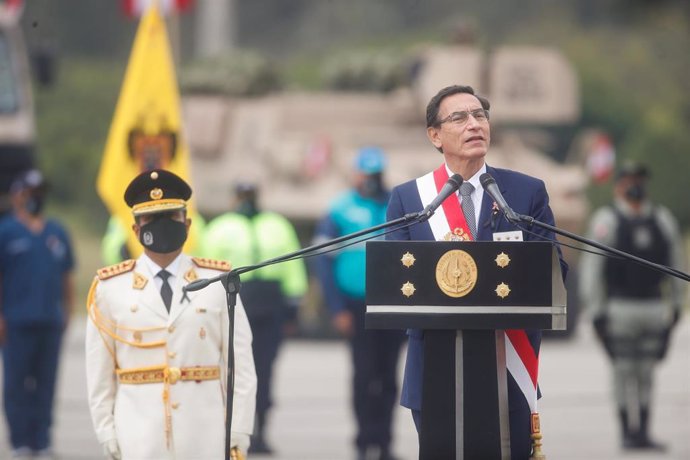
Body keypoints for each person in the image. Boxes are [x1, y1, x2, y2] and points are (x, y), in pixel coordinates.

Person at [385, 85, 567, 460]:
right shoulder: (411, 199)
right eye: (459, 117)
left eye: (480, 115)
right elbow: (394, 281)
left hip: (508, 361)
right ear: (435, 136)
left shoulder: (525, 192)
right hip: (435, 367)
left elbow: (554, 269)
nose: (474, 124)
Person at [85, 169, 257, 460]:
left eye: (172, 216)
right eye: (152, 219)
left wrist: (239, 429)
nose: (163, 225)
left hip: (205, 436)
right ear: (136, 229)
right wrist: (106, 430)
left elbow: (239, 366)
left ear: (187, 224)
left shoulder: (218, 281)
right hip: (138, 436)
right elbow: (99, 373)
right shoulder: (110, 288)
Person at [579, 162, 685, 450]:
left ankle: (644, 431)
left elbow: (675, 264)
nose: (635, 186)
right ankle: (628, 430)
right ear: (619, 185)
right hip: (620, 306)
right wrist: (597, 311)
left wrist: (675, 307)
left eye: (639, 180)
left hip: (652, 305)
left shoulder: (661, 219)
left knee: (647, 371)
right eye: (630, 180)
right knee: (623, 370)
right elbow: (594, 268)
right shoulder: (608, 220)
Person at [200, 182, 308, 455]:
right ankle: (229, 430)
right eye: (243, 196)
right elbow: (206, 268)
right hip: (237, 299)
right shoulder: (219, 227)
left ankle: (261, 430)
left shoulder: (277, 224)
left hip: (271, 303)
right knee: (232, 369)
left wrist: (293, 305)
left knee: (265, 370)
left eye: (251, 196)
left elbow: (292, 264)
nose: (247, 200)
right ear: (234, 198)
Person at [314, 146, 405, 460]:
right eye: (365, 174)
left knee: (390, 378)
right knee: (364, 376)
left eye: (376, 174)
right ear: (355, 175)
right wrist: (336, 308)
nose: (371, 180)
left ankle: (385, 444)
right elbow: (324, 262)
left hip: (393, 306)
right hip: (356, 306)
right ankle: (363, 441)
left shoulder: (397, 206)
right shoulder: (339, 209)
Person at [0, 169, 75, 460]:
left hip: (50, 320)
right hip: (16, 322)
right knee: (17, 384)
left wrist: (68, 309)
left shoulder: (57, 232)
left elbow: (67, 274)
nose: (36, 199)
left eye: (40, 193)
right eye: (31, 193)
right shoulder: (6, 232)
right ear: (18, 196)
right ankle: (20, 441)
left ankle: (42, 439)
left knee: (46, 383)